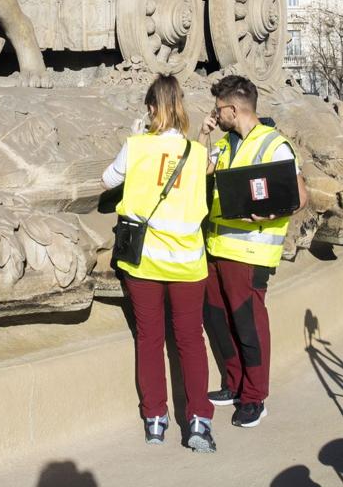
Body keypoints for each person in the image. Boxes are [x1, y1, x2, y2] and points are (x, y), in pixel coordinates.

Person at [102, 74, 216, 452]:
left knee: (149, 341)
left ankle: (155, 419)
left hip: (144, 264)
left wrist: (134, 137)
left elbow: (107, 180)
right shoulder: (199, 155)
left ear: (151, 109)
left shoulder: (136, 147)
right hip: (187, 264)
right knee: (190, 342)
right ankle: (198, 421)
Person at [198, 75, 309, 428]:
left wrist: (273, 211)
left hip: (250, 253)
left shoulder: (275, 145)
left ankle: (254, 397)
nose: (217, 114)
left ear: (232, 109)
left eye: (219, 110)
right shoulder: (227, 143)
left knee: (249, 326)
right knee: (219, 320)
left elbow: (300, 197)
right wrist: (204, 134)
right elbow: (200, 171)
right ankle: (234, 384)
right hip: (217, 248)